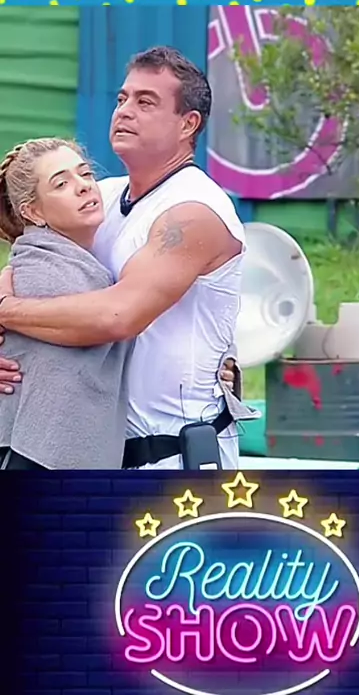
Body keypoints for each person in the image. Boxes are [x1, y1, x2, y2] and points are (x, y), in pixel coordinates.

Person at [0, 46, 252, 470]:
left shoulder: (195, 210)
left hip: (176, 458)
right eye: (122, 98)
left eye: (145, 102)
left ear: (188, 124)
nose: (124, 111)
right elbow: (25, 262)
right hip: (100, 453)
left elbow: (117, 317)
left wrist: (6, 312)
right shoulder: (101, 197)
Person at [0, 138, 134, 470]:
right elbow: (113, 319)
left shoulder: (63, 262)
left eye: (85, 174)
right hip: (34, 465)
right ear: (33, 212)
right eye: (61, 183)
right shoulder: (44, 276)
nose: (83, 186)